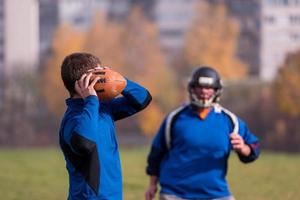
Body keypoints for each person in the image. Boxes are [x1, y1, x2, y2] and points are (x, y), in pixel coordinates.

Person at [145, 66, 260, 200]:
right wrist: (152, 184)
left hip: (216, 194)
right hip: (175, 194)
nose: (204, 91)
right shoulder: (174, 118)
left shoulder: (230, 121)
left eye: (209, 87)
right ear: (192, 88)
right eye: (200, 87)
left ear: (217, 90)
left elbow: (254, 148)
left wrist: (243, 148)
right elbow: (157, 153)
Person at [59, 52, 152, 200]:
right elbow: (84, 144)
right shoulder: (73, 119)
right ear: (85, 81)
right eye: (99, 72)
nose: (103, 75)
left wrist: (119, 80)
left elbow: (143, 99)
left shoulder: (102, 108)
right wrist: (90, 100)